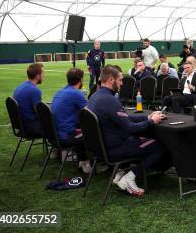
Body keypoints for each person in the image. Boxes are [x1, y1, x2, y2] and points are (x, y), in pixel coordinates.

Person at [87, 65, 169, 197]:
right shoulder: (110, 100)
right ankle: (129, 177)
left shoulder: (94, 97)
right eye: (120, 80)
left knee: (139, 140)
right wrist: (151, 121)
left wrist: (147, 117)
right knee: (158, 146)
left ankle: (122, 173)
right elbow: (130, 128)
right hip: (113, 149)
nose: (122, 83)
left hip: (99, 149)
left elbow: (125, 118)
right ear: (111, 80)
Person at [51, 68, 90, 173]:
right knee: (95, 132)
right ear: (81, 80)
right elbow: (91, 113)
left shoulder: (60, 91)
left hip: (55, 135)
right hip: (66, 136)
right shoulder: (76, 94)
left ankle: (81, 159)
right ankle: (87, 163)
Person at [13, 63, 44, 136]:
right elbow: (39, 114)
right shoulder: (35, 90)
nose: (44, 75)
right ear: (37, 76)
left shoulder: (20, 86)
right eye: (42, 73)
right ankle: (61, 146)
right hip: (31, 127)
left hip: (22, 126)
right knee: (58, 124)